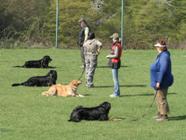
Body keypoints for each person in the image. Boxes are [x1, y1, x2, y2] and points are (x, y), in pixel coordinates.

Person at [150, 39, 174, 122]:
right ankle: (160, 113)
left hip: (162, 81)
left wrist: (159, 81)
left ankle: (164, 116)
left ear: (161, 48)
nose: (156, 48)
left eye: (157, 46)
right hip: (158, 80)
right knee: (158, 97)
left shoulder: (164, 56)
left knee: (161, 98)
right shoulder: (161, 55)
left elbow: (163, 70)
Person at [106, 33, 122, 97]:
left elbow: (116, 55)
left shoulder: (117, 45)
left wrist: (109, 56)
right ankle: (116, 92)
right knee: (115, 79)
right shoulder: (117, 44)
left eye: (112, 38)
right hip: (115, 62)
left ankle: (116, 93)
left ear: (115, 39)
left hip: (115, 62)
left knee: (115, 79)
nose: (112, 39)